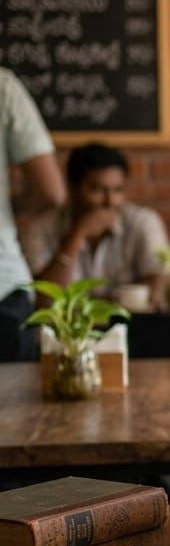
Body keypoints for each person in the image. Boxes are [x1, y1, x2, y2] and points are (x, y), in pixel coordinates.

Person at [22, 141, 170, 308]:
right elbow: (44, 300)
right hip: (64, 330)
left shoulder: (143, 222)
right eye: (98, 190)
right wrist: (77, 236)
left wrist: (92, 306)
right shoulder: (43, 227)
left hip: (131, 326)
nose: (110, 201)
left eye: (118, 190)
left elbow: (157, 286)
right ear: (72, 189)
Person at [0, 69, 66, 361]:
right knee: (14, 405)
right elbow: (51, 191)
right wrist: (9, 209)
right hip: (2, 288)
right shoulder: (3, 87)